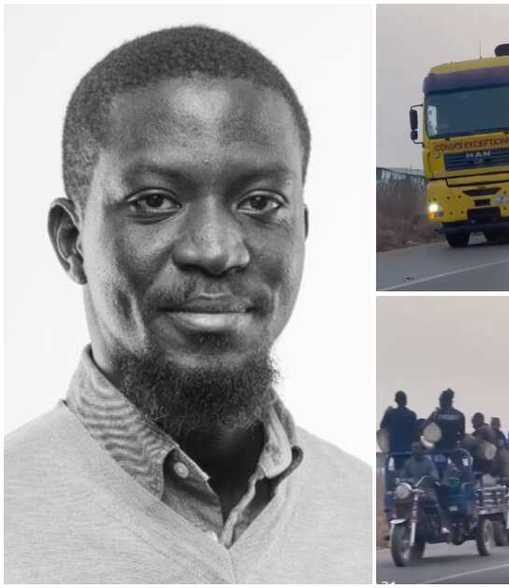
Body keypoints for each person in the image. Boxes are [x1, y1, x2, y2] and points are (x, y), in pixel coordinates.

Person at [3, 26, 371, 583]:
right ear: (72, 241)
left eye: (260, 202)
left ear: (302, 231)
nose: (216, 250)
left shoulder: (364, 509)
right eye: (155, 201)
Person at [401, 442, 450, 535]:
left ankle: (443, 526)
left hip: (426, 489)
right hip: (411, 490)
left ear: (422, 450)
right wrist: (403, 480)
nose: (415, 450)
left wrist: (431, 477)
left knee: (435, 505)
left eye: (417, 448)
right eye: (413, 448)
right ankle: (399, 527)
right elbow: (403, 475)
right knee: (401, 504)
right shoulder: (409, 462)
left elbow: (434, 474)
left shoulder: (428, 462)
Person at [381, 391, 418, 470]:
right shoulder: (411, 414)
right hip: (409, 450)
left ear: (396, 400)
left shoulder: (390, 413)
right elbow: (416, 433)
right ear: (406, 401)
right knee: (408, 473)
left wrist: (386, 412)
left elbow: (382, 426)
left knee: (398, 473)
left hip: (395, 450)